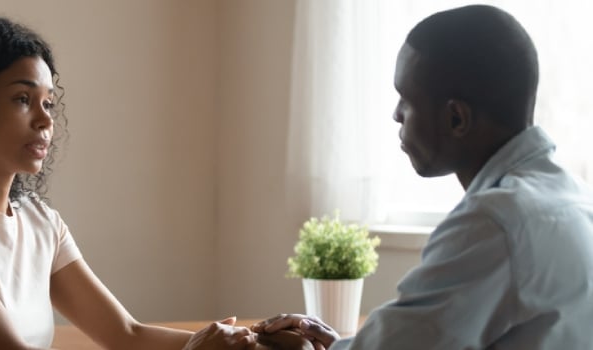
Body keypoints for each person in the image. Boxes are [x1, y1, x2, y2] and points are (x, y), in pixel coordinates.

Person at [0, 10, 270, 350]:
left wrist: (260, 337)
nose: (46, 120)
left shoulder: (40, 222)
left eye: (48, 103)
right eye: (22, 99)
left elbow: (126, 335)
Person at [252, 4, 593, 350]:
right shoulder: (572, 198)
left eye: (406, 99)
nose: (396, 114)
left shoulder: (495, 222)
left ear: (456, 118)